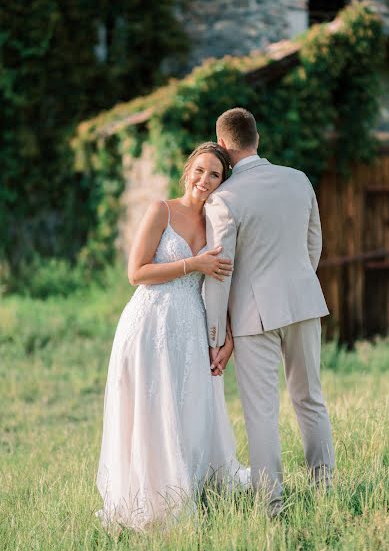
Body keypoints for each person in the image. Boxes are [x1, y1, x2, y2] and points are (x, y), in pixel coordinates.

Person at [96, 142, 249, 531]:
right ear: (187, 171)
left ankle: (191, 486)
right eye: (200, 170)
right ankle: (150, 496)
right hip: (149, 324)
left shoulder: (217, 222)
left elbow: (226, 283)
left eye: (214, 174)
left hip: (191, 325)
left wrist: (227, 335)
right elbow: (137, 273)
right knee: (151, 407)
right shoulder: (160, 211)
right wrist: (191, 264)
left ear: (222, 181)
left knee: (187, 406)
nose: (205, 179)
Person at [205, 108, 335, 517]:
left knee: (260, 410)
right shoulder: (299, 180)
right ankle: (325, 488)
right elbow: (314, 245)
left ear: (223, 145)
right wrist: (295, 284)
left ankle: (272, 503)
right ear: (256, 139)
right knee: (310, 398)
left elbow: (220, 271)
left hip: (252, 316)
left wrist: (215, 333)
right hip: (303, 302)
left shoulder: (224, 198)